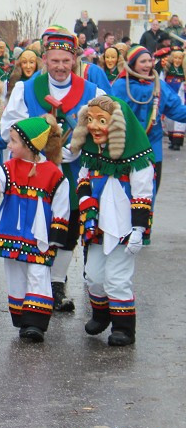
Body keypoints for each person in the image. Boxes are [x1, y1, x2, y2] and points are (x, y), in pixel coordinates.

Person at [0, 28, 102, 313]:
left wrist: (80, 146)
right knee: (37, 223)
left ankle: (57, 283)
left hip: (75, 169)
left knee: (68, 224)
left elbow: (105, 130)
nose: (60, 66)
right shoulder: (27, 89)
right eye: (54, 60)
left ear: (75, 60)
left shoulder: (92, 92)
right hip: (35, 169)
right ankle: (36, 282)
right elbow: (10, 128)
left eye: (66, 61)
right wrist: (39, 146)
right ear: (44, 59)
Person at [70, 95, 154, 347]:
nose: (94, 126)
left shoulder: (138, 159)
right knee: (94, 275)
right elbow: (83, 179)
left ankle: (124, 327)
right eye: (91, 119)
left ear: (117, 124)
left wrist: (139, 230)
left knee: (117, 278)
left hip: (124, 227)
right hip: (97, 224)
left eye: (102, 120)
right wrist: (85, 200)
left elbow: (142, 195)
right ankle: (101, 314)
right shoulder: (92, 151)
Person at [0, 116, 69, 343]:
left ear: (30, 145)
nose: (9, 146)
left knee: (39, 273)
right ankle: (23, 318)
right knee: (15, 272)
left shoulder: (54, 173)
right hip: (12, 230)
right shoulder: (9, 168)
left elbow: (62, 205)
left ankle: (35, 323)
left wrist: (57, 234)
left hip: (39, 233)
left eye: (13, 142)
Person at [110, 46, 186, 208]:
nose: (147, 65)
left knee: (148, 196)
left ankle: (144, 231)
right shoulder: (120, 87)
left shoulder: (160, 86)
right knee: (124, 195)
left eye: (149, 61)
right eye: (142, 61)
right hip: (125, 150)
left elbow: (178, 111)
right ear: (132, 64)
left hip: (153, 151)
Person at [162, 48, 186, 150]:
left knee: (179, 120)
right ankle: (172, 139)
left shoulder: (184, 71)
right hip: (169, 95)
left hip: (180, 95)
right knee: (169, 119)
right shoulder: (167, 69)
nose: (177, 60)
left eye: (180, 58)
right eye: (175, 58)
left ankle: (178, 141)